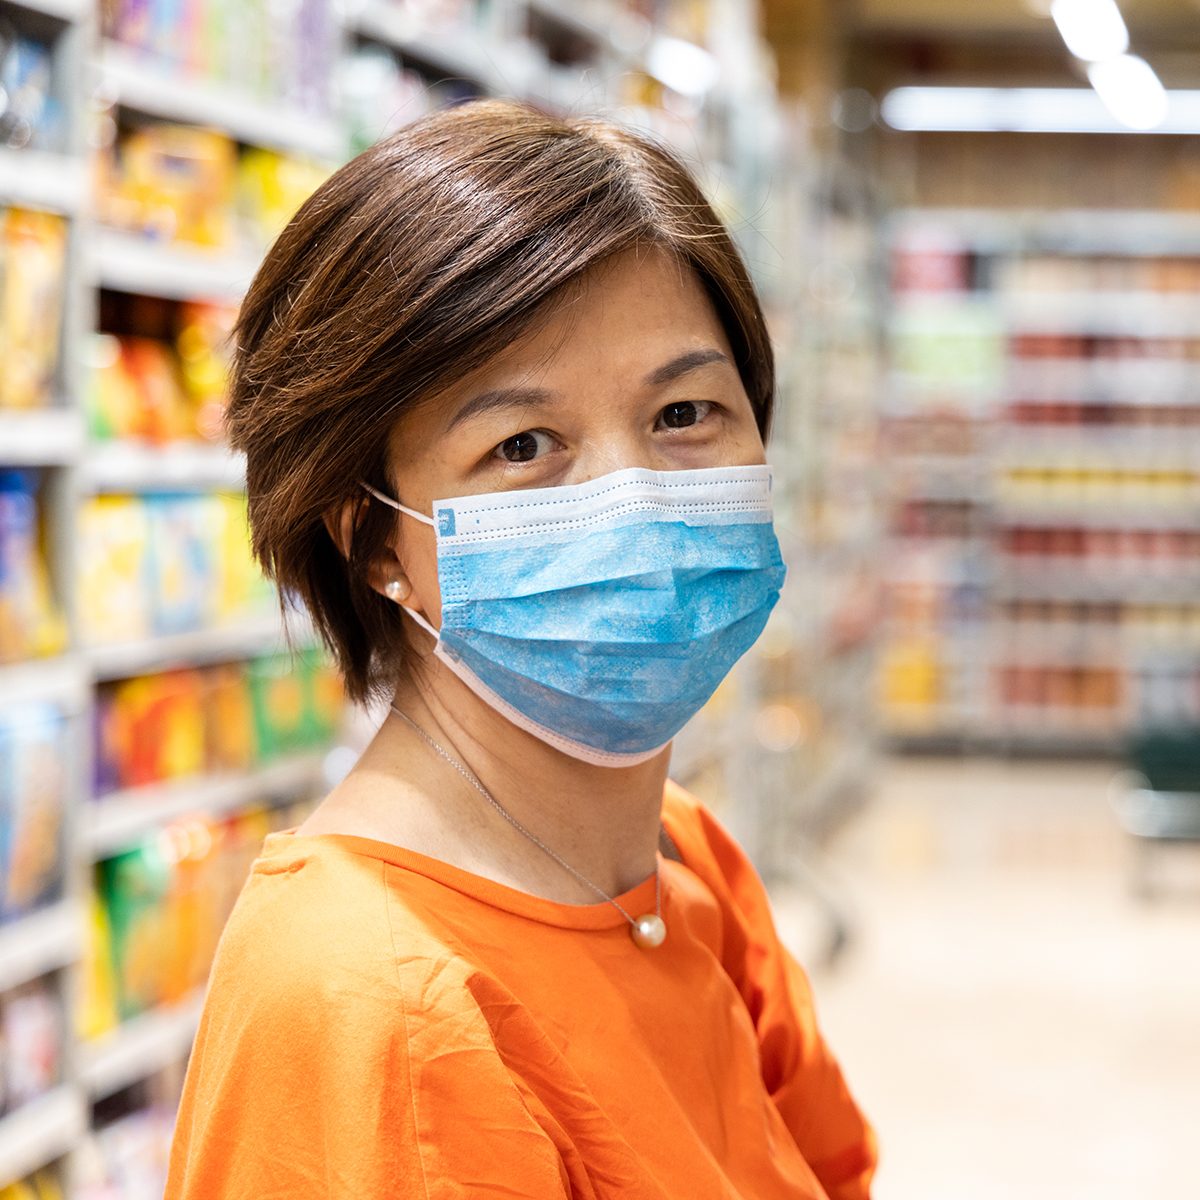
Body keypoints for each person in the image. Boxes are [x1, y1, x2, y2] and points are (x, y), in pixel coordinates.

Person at [164, 97, 878, 1199]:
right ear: (373, 544)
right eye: (524, 444)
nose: (632, 499)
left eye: (685, 414)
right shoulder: (374, 1004)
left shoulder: (682, 860)